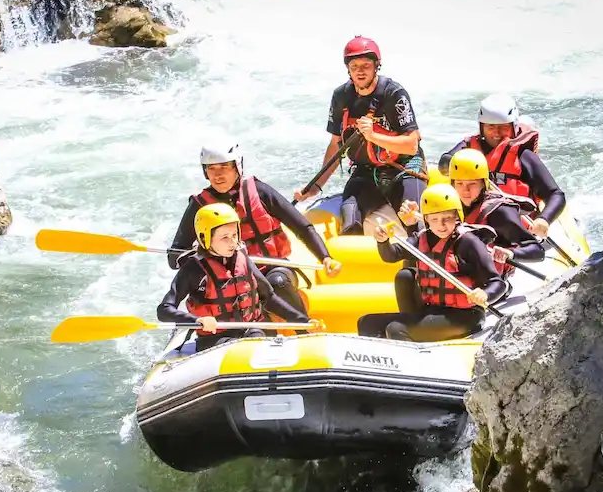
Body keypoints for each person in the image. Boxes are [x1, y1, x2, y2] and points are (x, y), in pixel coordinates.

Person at [169, 141, 342, 315]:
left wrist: (325, 257)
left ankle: (304, 327)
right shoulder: (199, 206)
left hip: (271, 267)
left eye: (224, 167)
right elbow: (175, 256)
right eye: (211, 168)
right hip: (226, 278)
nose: (218, 175)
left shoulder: (260, 192)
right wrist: (205, 256)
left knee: (277, 281)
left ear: (237, 167)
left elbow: (302, 228)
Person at [292, 36, 426, 236]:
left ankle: (417, 262)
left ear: (376, 66)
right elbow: (336, 144)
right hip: (366, 171)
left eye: (366, 65)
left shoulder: (394, 94)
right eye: (354, 66)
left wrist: (373, 136)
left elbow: (411, 145)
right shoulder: (341, 96)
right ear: (348, 69)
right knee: (350, 217)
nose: (360, 71)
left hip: (404, 167)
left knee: (412, 218)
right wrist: (316, 187)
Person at [356, 184, 506, 342]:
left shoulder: (468, 243)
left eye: (447, 218)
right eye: (434, 219)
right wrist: (383, 241)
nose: (441, 225)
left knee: (396, 329)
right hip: (431, 311)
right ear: (426, 219)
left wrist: (485, 293)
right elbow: (391, 255)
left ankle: (412, 348)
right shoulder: (422, 238)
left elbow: (497, 283)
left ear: (457, 216)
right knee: (366, 323)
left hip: (466, 315)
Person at [158, 204, 316, 352]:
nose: (233, 242)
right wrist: (197, 320)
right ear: (205, 237)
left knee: (256, 340)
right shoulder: (193, 269)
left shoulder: (242, 259)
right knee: (242, 348)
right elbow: (164, 310)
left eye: (235, 235)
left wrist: (301, 319)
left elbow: (268, 297)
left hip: (251, 329)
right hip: (216, 339)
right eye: (225, 237)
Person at [438, 93, 566, 238]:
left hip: (513, 231)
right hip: (472, 228)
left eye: (503, 127)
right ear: (482, 127)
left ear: (514, 126)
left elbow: (556, 195)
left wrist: (544, 219)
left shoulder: (523, 156)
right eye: (490, 127)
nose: (496, 133)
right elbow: (444, 162)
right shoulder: (469, 148)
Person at [447, 149, 546, 266]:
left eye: (472, 184)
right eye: (459, 184)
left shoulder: (500, 213)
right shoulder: (448, 205)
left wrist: (511, 254)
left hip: (492, 278)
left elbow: (538, 251)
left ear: (483, 183)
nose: (465, 190)